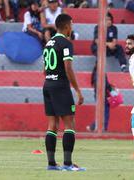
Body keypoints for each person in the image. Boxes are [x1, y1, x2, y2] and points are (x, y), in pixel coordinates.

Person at [42, 13, 85, 171]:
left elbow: (44, 69)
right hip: (60, 85)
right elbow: (68, 68)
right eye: (71, 25)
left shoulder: (49, 43)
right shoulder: (66, 43)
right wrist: (78, 91)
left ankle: (51, 164)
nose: (71, 28)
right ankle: (68, 164)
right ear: (67, 27)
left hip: (48, 84)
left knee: (52, 125)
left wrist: (50, 81)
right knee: (69, 124)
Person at [86, 61, 113, 132]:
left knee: (101, 112)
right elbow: (105, 84)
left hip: (99, 95)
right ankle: (99, 127)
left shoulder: (96, 73)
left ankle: (95, 126)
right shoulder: (100, 73)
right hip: (102, 95)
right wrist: (110, 88)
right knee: (105, 112)